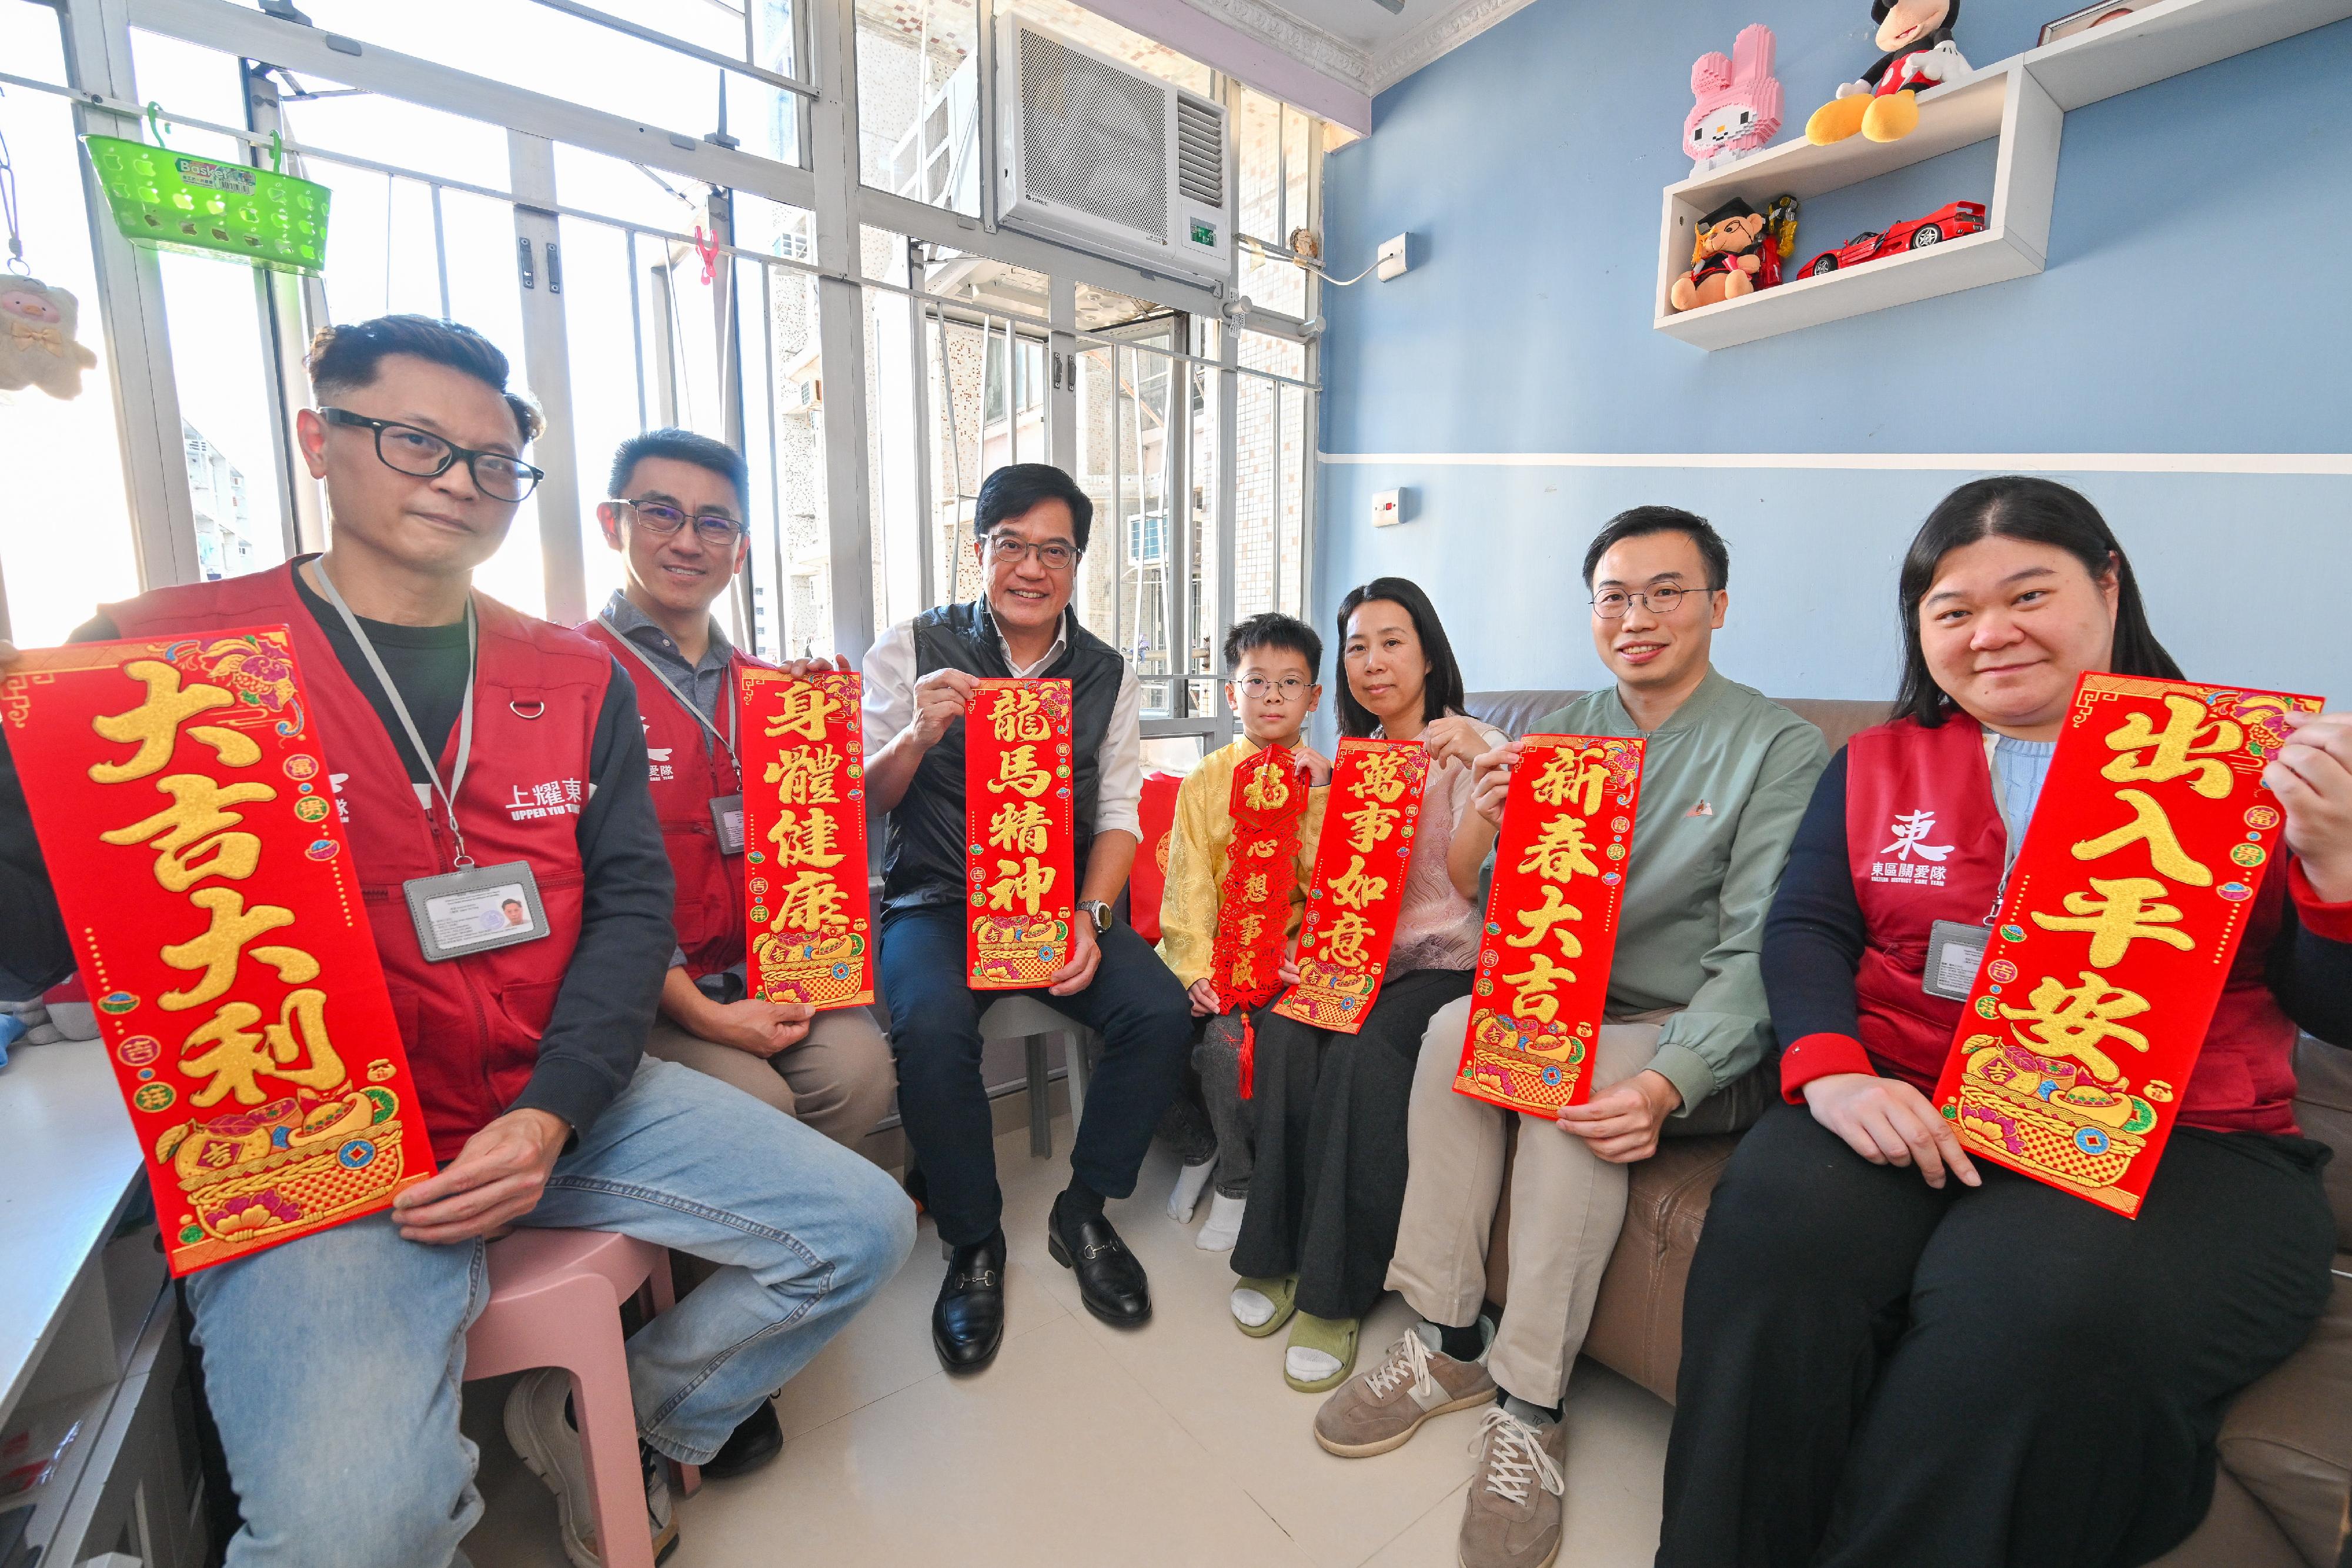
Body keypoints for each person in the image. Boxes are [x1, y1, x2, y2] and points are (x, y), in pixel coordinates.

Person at [0, 316, 914, 1568]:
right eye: (415, 441)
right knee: (360, 1531)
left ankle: (621, 1413)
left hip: (560, 1087)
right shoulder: (159, 657)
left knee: (863, 1226)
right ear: (319, 439)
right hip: (317, 1150)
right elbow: (31, 940)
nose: (458, 481)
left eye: (492, 461)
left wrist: (550, 1111)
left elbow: (626, 909)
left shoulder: (569, 673)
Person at [1656, 476, 2352, 1568]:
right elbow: (1806, 926)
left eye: (2029, 594)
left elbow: (2331, 1010)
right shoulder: (1878, 761)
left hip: (2182, 1132)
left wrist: (2337, 868)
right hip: (1907, 1089)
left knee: (2032, 1308)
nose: (1991, 633)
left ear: (2109, 586)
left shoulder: (2247, 767)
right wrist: (1833, 1069)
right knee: (1776, 1233)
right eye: (1953, 609)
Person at [1311, 510, 1826, 1567]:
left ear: (1718, 605)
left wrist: (1673, 1079)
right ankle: (1448, 1336)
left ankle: (1532, 1404)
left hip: (1692, 1026)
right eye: (1614, 596)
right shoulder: (1561, 734)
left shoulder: (1776, 745)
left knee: (1560, 1082)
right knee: (1452, 1029)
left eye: (1666, 591)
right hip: (1569, 1001)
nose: (1637, 616)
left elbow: (1760, 949)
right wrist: (1496, 818)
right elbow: (1512, 907)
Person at [863, 462, 1192, 1372]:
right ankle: (973, 1241)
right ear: (980, 549)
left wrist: (1092, 913)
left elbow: (1118, 812)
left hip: (1057, 901)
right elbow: (864, 798)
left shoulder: (1106, 672)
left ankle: (1082, 1208)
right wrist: (917, 733)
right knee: (930, 1026)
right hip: (936, 900)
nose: (1032, 568)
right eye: (1012, 544)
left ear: (1078, 562)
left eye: (1056, 550)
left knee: (1159, 1010)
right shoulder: (910, 645)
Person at [581, 427, 895, 1151]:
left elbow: (820, 841)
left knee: (859, 1070)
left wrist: (819, 737)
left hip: (770, 969)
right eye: (661, 513)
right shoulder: (574, 678)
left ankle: (810, 1208)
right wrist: (702, 1015)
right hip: (649, 990)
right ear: (612, 523)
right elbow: (585, 880)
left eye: (714, 523)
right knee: (756, 1104)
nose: (688, 542)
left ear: (741, 549)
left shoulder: (773, 692)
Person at [1229, 577, 1505, 1393]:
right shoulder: (1356, 757)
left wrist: (1478, 774)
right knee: (1285, 1028)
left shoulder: (1476, 744)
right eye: (1357, 647)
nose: (1373, 662)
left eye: (1392, 642)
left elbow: (1472, 880)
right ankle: (1273, 1253)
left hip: (1447, 962)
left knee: (1366, 1053)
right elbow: (1331, 888)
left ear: (1428, 654)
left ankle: (1335, 1291)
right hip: (1358, 959)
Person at [1154, 611, 1334, 1252]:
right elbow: (1187, 884)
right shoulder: (1205, 780)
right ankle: (1198, 1145)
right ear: (1232, 694)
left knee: (1226, 1044)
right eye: (1256, 682)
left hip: (1281, 956)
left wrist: (1322, 795)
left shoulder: (1325, 780)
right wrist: (1194, 969)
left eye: (1290, 683)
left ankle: (1238, 1180)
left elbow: (1332, 886)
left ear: (1314, 697)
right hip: (1208, 950)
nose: (1272, 697)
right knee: (1132, 1026)